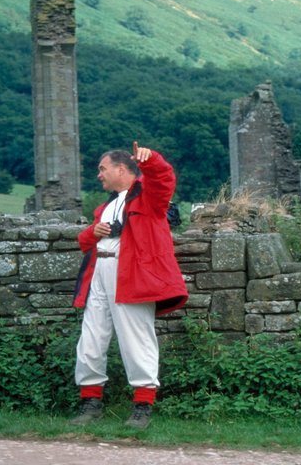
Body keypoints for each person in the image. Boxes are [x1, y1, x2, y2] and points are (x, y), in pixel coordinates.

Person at [70, 142, 188, 429]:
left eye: (103, 168)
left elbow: (164, 179)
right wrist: (91, 232)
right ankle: (90, 403)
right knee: (90, 340)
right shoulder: (106, 206)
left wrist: (151, 159)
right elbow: (86, 242)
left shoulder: (148, 197)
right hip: (100, 273)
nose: (99, 175)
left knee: (137, 340)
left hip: (132, 275)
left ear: (121, 168)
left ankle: (143, 406)